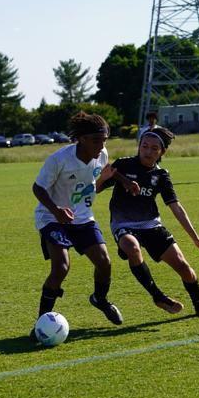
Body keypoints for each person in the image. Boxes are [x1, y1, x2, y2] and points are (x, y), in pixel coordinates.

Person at [30, 112, 139, 342]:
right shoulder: (59, 159)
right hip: (51, 217)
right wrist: (57, 210)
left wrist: (125, 182)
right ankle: (42, 321)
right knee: (61, 267)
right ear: (80, 139)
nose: (102, 145)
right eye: (96, 140)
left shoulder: (101, 154)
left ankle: (100, 299)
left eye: (105, 140)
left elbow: (105, 172)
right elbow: (38, 188)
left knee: (104, 262)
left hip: (83, 218)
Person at [97, 126, 199, 318]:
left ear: (162, 152)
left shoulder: (161, 176)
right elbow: (95, 189)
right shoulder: (123, 165)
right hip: (124, 225)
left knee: (184, 268)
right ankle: (158, 296)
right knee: (132, 248)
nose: (148, 151)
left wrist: (195, 238)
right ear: (139, 146)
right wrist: (102, 179)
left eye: (154, 148)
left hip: (151, 225)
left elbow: (176, 207)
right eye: (144, 146)